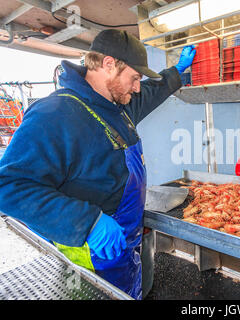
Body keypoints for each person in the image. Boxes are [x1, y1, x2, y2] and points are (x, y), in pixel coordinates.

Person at [0, 29, 196, 300]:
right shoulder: (56, 114)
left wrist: (177, 71)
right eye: (134, 78)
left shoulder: (118, 105)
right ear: (108, 64)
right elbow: (9, 186)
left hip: (125, 247)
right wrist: (88, 223)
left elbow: (151, 91)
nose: (137, 87)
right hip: (88, 257)